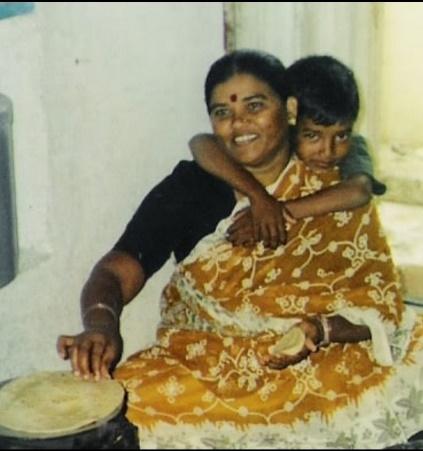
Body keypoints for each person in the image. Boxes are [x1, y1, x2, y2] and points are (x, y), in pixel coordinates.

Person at [57, 50, 423, 449]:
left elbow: (379, 303)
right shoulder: (190, 188)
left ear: (289, 109)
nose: (238, 124)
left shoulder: (331, 183)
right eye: (222, 112)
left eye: (255, 106)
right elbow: (115, 270)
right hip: (209, 369)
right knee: (110, 423)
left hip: (326, 365)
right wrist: (100, 324)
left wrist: (322, 330)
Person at [189, 55, 386, 249]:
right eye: (312, 135)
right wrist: (259, 197)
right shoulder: (281, 139)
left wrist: (277, 213)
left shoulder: (353, 147)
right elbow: (200, 143)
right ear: (290, 115)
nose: (327, 151)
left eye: (341, 135)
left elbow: (358, 190)